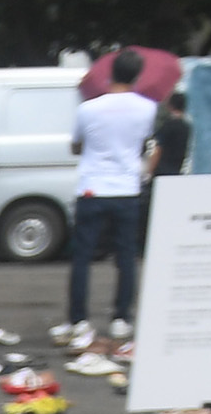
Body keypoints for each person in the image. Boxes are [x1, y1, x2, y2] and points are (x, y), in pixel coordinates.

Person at [66, 49, 157, 339]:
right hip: (127, 189)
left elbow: (76, 146)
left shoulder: (89, 108)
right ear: (137, 76)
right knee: (126, 256)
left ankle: (78, 320)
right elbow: (144, 144)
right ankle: (121, 318)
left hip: (92, 187)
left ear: (111, 72)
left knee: (82, 256)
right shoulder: (148, 108)